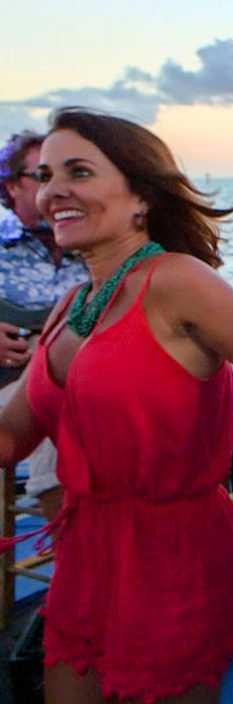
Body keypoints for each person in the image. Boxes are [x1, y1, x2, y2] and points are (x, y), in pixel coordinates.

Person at [0, 108, 233, 704]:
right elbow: (11, 436)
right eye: (46, 175)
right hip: (85, 556)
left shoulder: (181, 283)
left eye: (79, 171)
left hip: (171, 558)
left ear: (140, 198)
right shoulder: (72, 307)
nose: (54, 192)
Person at [0, 131, 88, 521]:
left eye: (68, 175)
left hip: (78, 381)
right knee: (56, 397)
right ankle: (69, 544)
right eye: (41, 175)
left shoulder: (86, 245)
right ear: (12, 186)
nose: (55, 188)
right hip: (10, 394)